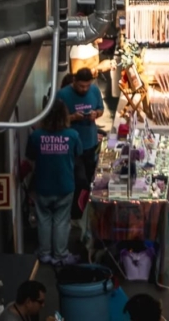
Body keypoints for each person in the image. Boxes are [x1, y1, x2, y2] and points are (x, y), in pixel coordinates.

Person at [25, 101, 81, 266]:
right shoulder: (73, 135)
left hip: (43, 185)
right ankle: (60, 255)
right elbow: (78, 153)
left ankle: (44, 254)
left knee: (44, 220)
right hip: (65, 185)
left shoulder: (36, 136)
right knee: (61, 221)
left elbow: (31, 157)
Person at [56, 67, 104, 197]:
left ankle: (87, 203)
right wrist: (73, 117)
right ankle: (76, 209)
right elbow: (55, 120)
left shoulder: (94, 90)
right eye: (81, 86)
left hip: (90, 142)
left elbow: (101, 109)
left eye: (87, 86)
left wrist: (96, 114)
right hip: (70, 146)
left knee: (89, 176)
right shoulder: (62, 95)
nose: (85, 89)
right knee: (78, 179)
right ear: (74, 81)